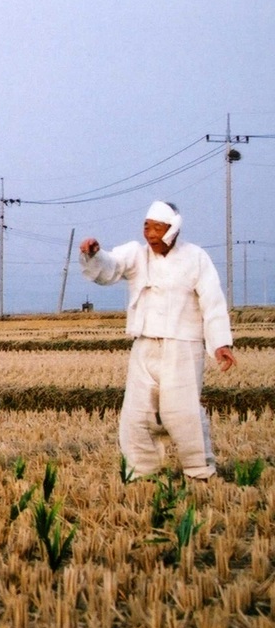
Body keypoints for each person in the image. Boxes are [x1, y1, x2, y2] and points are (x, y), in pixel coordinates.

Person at [80, 201, 235, 480]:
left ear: (172, 230)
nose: (150, 234)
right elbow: (111, 266)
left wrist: (220, 343)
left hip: (183, 346)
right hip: (145, 345)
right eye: (147, 227)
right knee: (137, 414)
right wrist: (94, 254)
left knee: (182, 411)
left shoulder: (195, 257)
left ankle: (199, 470)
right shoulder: (137, 255)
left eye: (157, 228)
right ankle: (141, 472)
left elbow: (212, 302)